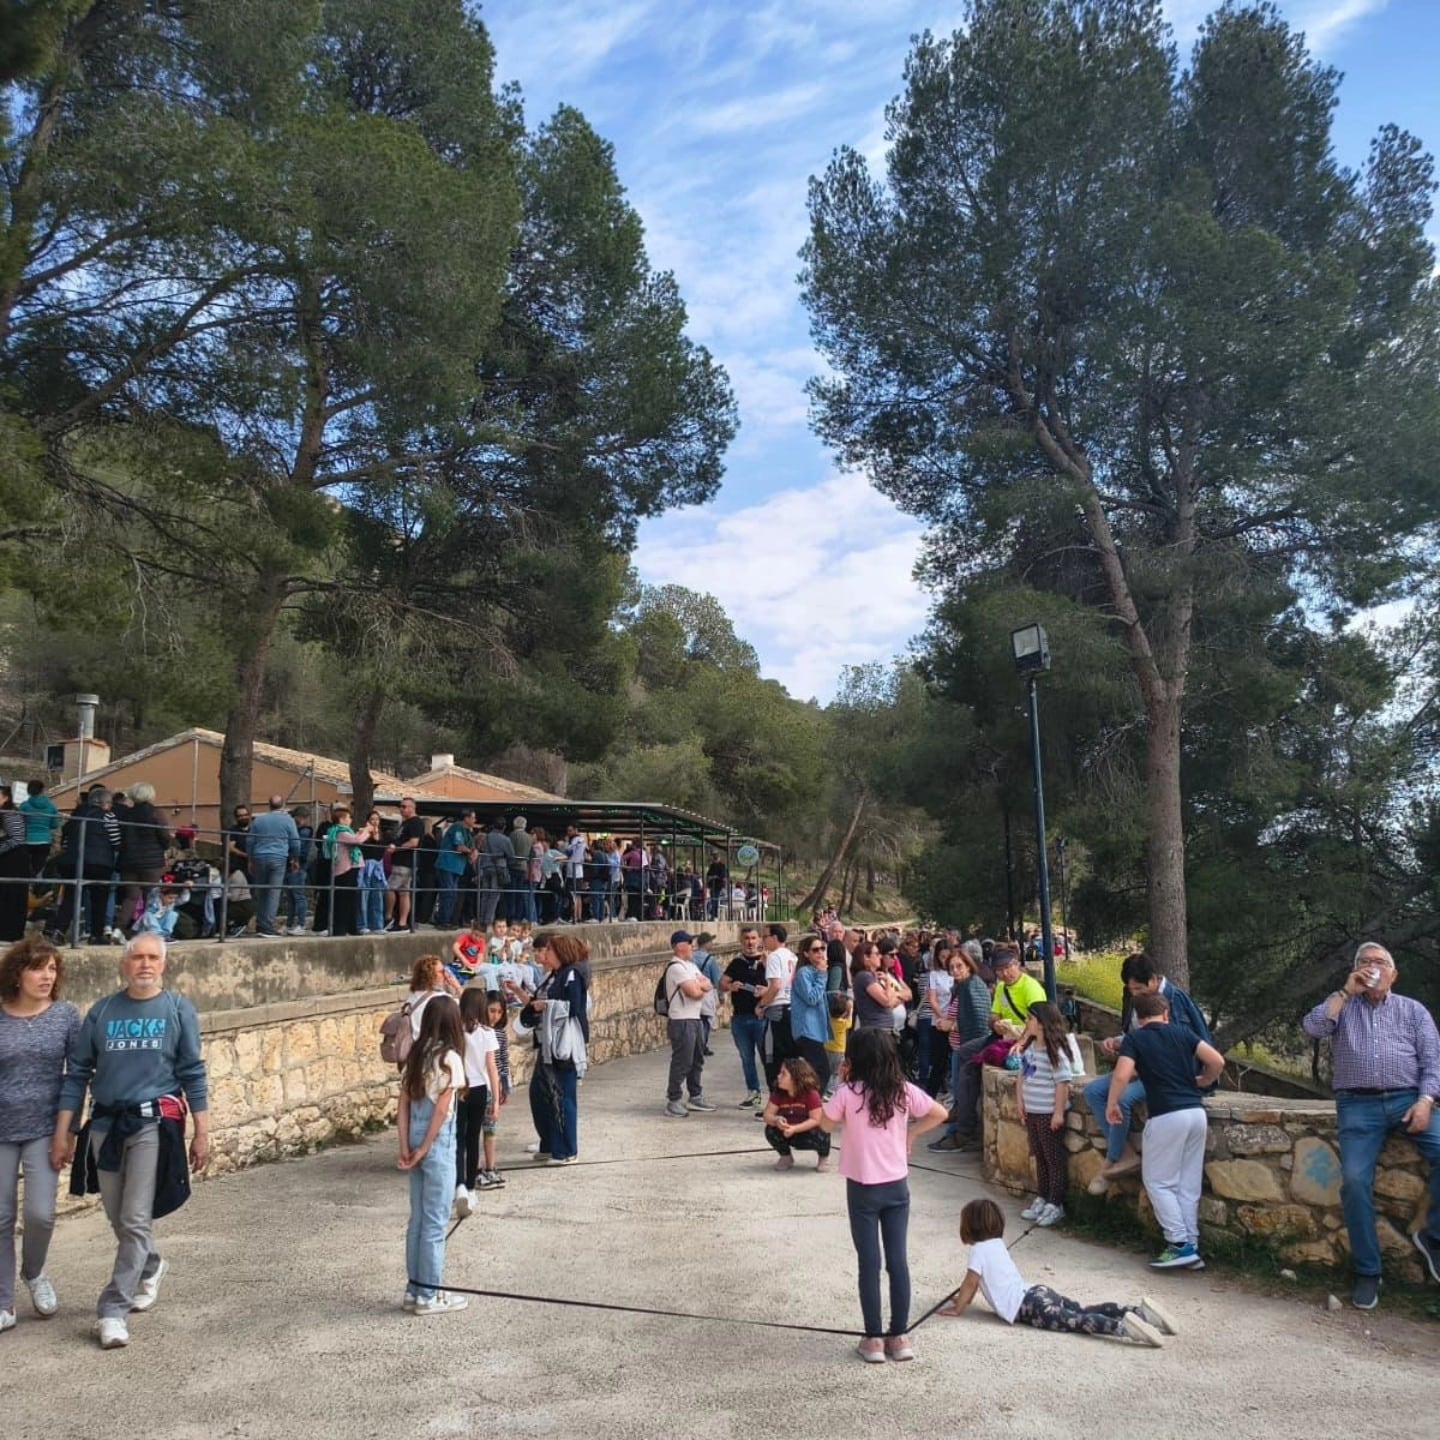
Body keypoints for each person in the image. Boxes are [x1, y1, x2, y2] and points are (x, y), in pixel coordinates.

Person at [55, 933, 209, 1349]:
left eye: (152, 958)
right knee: (119, 1218)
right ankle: (151, 1264)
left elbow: (193, 1072)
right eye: (137, 957)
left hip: (150, 1127)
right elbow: (78, 1075)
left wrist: (202, 1131)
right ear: (124, 965)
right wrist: (65, 1132)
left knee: (136, 1220)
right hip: (105, 1126)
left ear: (163, 965)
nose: (144, 964)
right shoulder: (102, 1011)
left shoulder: (178, 1010)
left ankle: (112, 1310)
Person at [1301, 942, 1440, 1310]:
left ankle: (1434, 1235)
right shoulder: (1343, 1006)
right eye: (1365, 962)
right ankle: (1368, 1271)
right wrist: (1347, 991)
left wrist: (1426, 1101)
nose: (1372, 967)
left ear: (1393, 974)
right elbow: (1313, 1028)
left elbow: (1433, 1062)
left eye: (1380, 962)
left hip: (1407, 1099)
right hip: (1357, 1105)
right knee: (1355, 1182)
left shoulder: (1413, 1011)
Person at [819, 1028, 947, 1362]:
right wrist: (911, 1134)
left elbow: (825, 1124)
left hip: (862, 1188)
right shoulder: (903, 1091)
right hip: (896, 1186)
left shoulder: (848, 1092)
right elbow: (940, 1113)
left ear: (854, 1059)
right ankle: (900, 1336)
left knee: (869, 1262)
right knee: (898, 1261)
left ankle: (873, 1338)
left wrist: (839, 1080)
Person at [938, 1198, 1173, 1348]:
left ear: (969, 1227)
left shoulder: (978, 1251)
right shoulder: (997, 1243)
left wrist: (959, 1308)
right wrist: (963, 1299)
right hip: (1036, 1291)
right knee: (1081, 1309)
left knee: (1075, 1321)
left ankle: (1123, 1328)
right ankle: (1139, 1313)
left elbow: (971, 1282)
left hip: (1027, 1306)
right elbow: (979, 1284)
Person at [1106, 991, 1226, 1272]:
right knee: (1188, 1184)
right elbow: (1217, 1061)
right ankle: (1191, 1245)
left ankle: (1178, 1243)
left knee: (1158, 1182)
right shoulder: (1182, 1033)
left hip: (1166, 1114)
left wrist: (1113, 1103)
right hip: (1195, 1113)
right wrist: (1203, 1081)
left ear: (1138, 1017)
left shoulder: (1136, 1039)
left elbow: (1123, 1074)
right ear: (1166, 1014)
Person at [1, 938, 81, 1334]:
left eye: (52, 969)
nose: (47, 976)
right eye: (38, 968)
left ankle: (33, 1273)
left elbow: (78, 1076)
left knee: (40, 1213)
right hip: (0, 1130)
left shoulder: (66, 1016)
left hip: (46, 1129)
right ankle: (3, 1301)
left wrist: (69, 1132)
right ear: (17, 974)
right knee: (0, 1217)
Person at [1084, 952, 1213, 1189]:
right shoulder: (1138, 998)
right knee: (1092, 1091)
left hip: (1165, 1075)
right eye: (1130, 989)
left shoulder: (1176, 1001)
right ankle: (1124, 1154)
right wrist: (1117, 1041)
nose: (1134, 994)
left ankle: (1111, 1162)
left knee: (1121, 1099)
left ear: (1153, 980)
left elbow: (1177, 1045)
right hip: (1139, 1067)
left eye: (1138, 989)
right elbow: (1138, 1035)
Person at [397, 994, 467, 1316]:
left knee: (418, 1220)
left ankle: (414, 1289)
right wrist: (426, 1146)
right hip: (438, 1142)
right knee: (436, 1222)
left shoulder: (416, 1055)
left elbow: (403, 1105)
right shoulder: (449, 1058)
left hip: (413, 1134)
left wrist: (406, 1146)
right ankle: (430, 1294)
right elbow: (442, 1109)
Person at [935, 943, 1042, 1152]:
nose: (1005, 973)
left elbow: (1038, 1020)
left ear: (1017, 965)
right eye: (1000, 970)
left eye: (1008, 968)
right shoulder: (1000, 986)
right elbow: (991, 1016)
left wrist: (1019, 1042)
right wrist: (997, 1023)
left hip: (1024, 1041)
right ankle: (960, 1109)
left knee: (969, 1069)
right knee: (962, 1055)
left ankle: (964, 1128)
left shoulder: (1031, 987)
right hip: (1001, 1036)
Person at [514, 932, 589, 1165]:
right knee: (542, 1094)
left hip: (562, 1046)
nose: (545, 954)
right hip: (548, 1043)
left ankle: (566, 1149)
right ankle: (550, 1142)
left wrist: (546, 1005)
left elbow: (574, 1007)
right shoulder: (554, 976)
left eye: (550, 950)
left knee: (562, 1097)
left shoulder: (572, 974)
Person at [1016, 1002, 1077, 1227]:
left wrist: (1058, 1113)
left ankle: (1055, 1202)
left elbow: (1063, 1084)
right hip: (1032, 1111)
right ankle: (1042, 1196)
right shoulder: (1031, 1049)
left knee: (1053, 1159)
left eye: (1030, 1019)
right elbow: (1022, 1076)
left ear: (1041, 1023)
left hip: (1047, 1113)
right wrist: (1020, 1102)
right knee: (1039, 1156)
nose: (1027, 1023)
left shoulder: (1055, 1052)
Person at [453, 989, 501, 1217]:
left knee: (458, 1138)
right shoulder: (487, 1033)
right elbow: (492, 1067)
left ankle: (459, 1184)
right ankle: (471, 1188)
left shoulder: (456, 1032)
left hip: (459, 1088)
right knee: (473, 1138)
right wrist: (496, 1099)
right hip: (481, 1089)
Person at [54, 786, 119, 946]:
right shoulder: (108, 816)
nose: (110, 806)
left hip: (72, 862)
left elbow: (66, 842)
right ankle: (96, 935)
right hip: (99, 862)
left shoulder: (74, 817)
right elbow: (116, 840)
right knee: (99, 899)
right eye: (109, 803)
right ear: (103, 803)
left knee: (70, 897)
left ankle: (59, 931)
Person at [662, 930, 714, 1118]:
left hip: (695, 1017)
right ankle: (673, 1099)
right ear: (679, 946)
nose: (693, 945)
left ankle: (695, 1095)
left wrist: (699, 987)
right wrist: (699, 988)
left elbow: (708, 984)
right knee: (682, 1060)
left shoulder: (691, 966)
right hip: (681, 1019)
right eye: (689, 942)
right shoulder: (676, 968)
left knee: (697, 1058)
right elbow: (695, 991)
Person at [722, 926, 767, 1108]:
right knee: (747, 1058)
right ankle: (753, 1093)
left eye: (753, 938)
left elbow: (778, 984)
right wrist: (731, 986)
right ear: (742, 941)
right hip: (740, 1018)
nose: (750, 942)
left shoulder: (767, 962)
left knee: (768, 1058)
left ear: (759, 940)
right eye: (747, 938)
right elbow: (722, 982)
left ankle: (776, 1095)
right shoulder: (736, 963)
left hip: (762, 1018)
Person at [245, 795, 299, 939]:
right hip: (278, 857)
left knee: (261, 891)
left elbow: (250, 841)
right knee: (274, 892)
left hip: (259, 856)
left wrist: (250, 860)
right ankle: (267, 927)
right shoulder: (288, 820)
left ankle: (261, 923)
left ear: (269, 805)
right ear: (283, 805)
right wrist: (294, 858)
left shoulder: (259, 820)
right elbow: (295, 842)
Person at [762, 1057, 831, 1171]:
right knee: (770, 1129)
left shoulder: (811, 1094)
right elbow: (767, 1115)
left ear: (795, 1078)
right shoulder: (778, 1093)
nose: (779, 1076)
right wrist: (776, 1120)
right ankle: (786, 1156)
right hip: (787, 1130)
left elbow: (816, 1119)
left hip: (807, 1130)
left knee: (823, 1130)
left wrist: (795, 1128)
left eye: (783, 1074)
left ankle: (823, 1157)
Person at [756, 923, 797, 1086]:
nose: (763, 940)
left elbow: (776, 986)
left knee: (772, 1056)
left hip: (777, 1010)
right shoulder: (792, 956)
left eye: (765, 937)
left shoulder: (774, 956)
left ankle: (776, 1099)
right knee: (790, 1056)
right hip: (791, 1008)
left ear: (774, 938)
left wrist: (762, 1004)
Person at [789, 933, 832, 1086]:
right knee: (822, 1071)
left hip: (816, 1030)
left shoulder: (815, 972)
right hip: (807, 1030)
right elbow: (812, 998)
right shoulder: (804, 973)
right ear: (806, 954)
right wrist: (822, 976)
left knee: (815, 1071)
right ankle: (814, 1105)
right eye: (815, 950)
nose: (820, 952)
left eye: (822, 948)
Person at [477, 994, 510, 1187]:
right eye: (492, 1011)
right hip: (481, 1085)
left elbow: (503, 1060)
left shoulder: (499, 1033)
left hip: (494, 1086)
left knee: (490, 1129)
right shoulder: (479, 1032)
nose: (495, 1016)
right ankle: (478, 1167)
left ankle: (490, 1166)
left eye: (499, 1012)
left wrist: (504, 1084)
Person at [853, 940, 911, 1033]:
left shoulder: (873, 976)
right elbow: (887, 1001)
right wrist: (888, 983)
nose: (879, 957)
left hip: (884, 1029)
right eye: (876, 954)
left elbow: (908, 994)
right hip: (876, 1031)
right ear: (866, 957)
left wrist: (893, 996)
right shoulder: (865, 976)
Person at [385, 797, 425, 931]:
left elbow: (414, 842)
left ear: (412, 808)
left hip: (405, 862)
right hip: (400, 861)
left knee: (390, 888)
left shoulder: (415, 822)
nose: (401, 809)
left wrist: (396, 848)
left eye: (404, 806)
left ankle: (389, 916)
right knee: (404, 892)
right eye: (400, 806)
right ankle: (402, 923)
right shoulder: (405, 823)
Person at [435, 811, 476, 929]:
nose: (475, 820)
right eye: (473, 818)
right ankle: (443, 920)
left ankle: (448, 920)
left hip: (457, 867)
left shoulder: (468, 832)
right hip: (448, 864)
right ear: (466, 818)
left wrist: (474, 851)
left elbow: (471, 846)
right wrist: (470, 852)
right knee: (448, 893)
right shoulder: (457, 827)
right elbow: (459, 847)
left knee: (452, 894)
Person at [0, 786, 29, 943]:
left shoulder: (10, 815)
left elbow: (17, 838)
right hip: (7, 860)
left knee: (11, 896)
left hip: (14, 861)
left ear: (6, 798)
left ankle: (9, 933)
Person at [19, 780, 60, 878]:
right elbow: (55, 825)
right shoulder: (52, 806)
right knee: (38, 869)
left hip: (27, 840)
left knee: (23, 869)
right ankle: (36, 888)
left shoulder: (24, 806)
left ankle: (24, 888)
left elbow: (19, 823)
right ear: (42, 790)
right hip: (44, 841)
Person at [693, 932, 722, 1055]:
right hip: (706, 993)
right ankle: (701, 1046)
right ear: (707, 943)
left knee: (696, 1020)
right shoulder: (710, 960)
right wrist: (721, 996)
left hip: (692, 991)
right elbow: (717, 981)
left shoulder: (691, 957)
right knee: (705, 1021)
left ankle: (695, 1045)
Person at [823, 992, 852, 1098]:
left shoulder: (828, 1020)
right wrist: (850, 1010)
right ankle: (831, 1091)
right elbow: (850, 1022)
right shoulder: (843, 1023)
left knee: (827, 1070)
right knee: (836, 1072)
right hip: (838, 1051)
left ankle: (824, 1089)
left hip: (827, 1048)